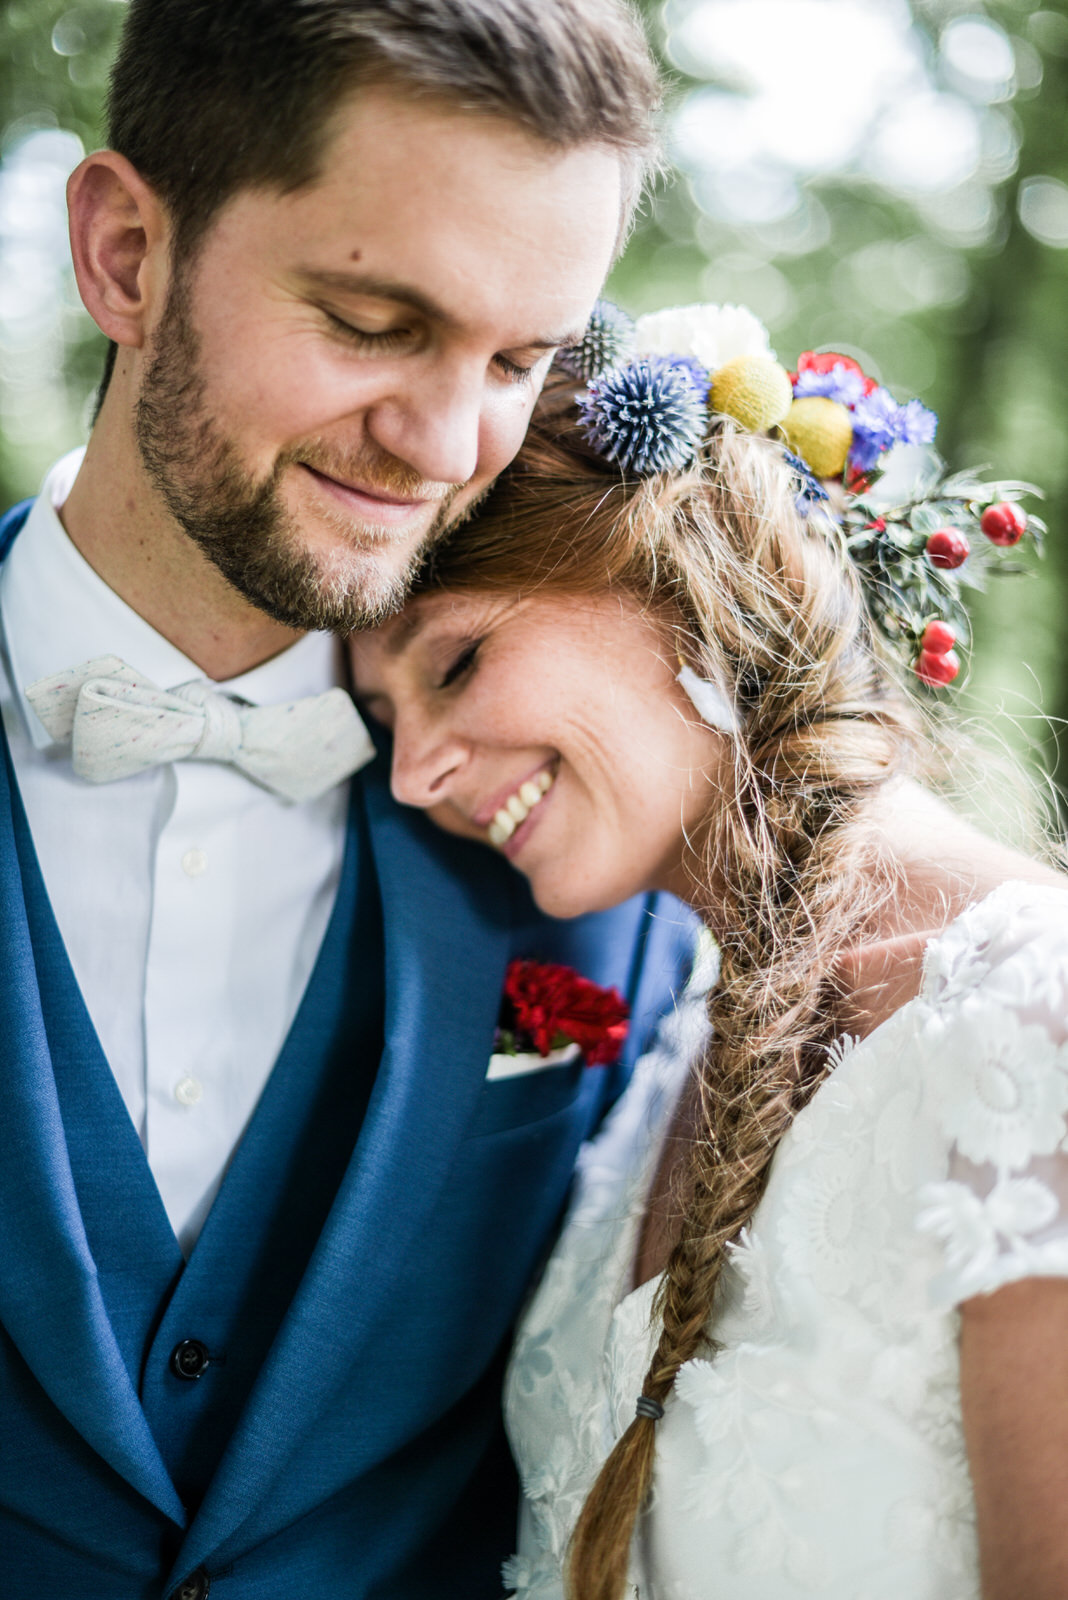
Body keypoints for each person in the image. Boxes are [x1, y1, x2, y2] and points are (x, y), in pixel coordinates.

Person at [0, 7, 698, 1597]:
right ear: (124, 254)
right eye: (376, 324)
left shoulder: (589, 855)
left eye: (521, 361)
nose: (449, 446)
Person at [350, 301, 1068, 1600]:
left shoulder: (1036, 1020)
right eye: (381, 718)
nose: (410, 777)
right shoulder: (661, 1043)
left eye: (452, 664)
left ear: (673, 574)